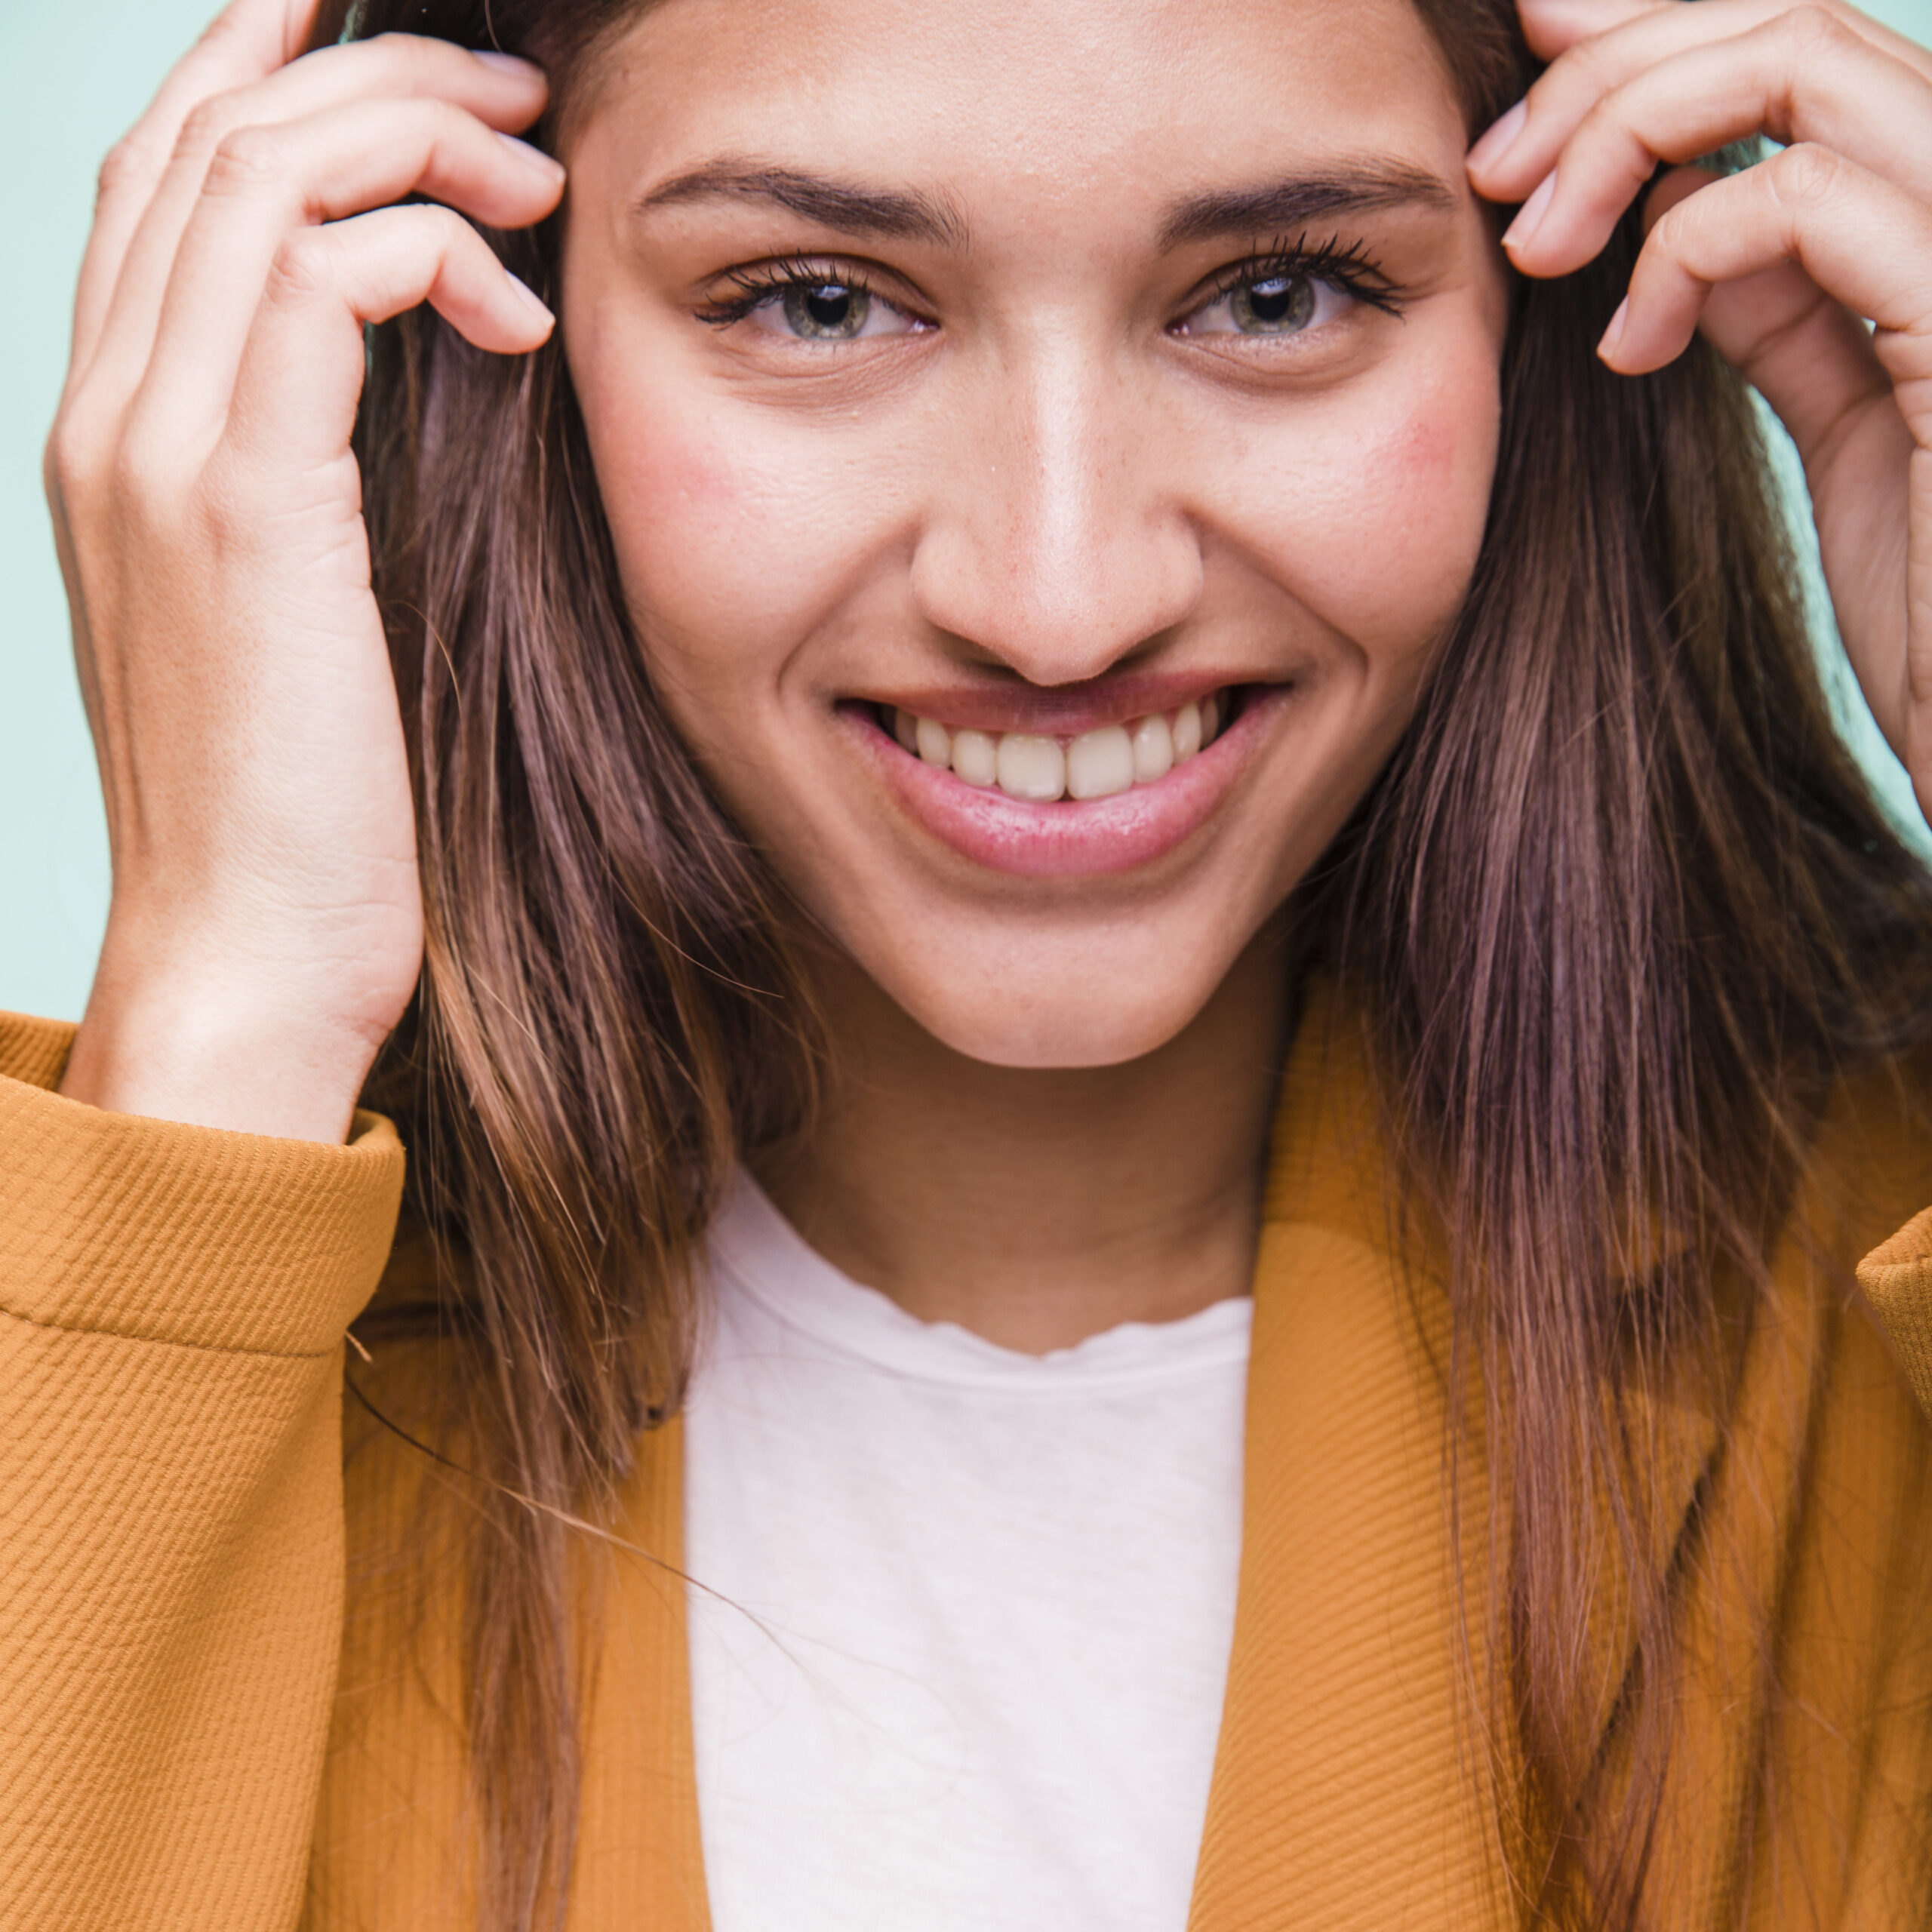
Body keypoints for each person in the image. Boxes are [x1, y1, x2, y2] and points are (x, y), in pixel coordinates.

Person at [7, 0, 1932, 1924]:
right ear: (490, 332)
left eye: (1274, 294)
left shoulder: (1876, 1281)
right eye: (819, 304)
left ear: (1549, 311)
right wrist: (221, 1014)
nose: (1058, 594)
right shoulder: (143, 1360)